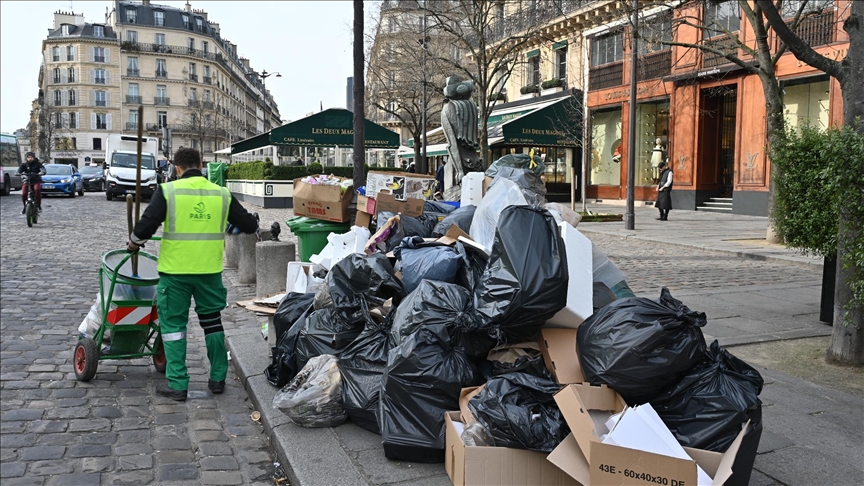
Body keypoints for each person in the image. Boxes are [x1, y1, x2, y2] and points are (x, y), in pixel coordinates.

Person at [126, 148, 258, 401]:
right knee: (212, 323)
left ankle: (178, 384)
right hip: (208, 271)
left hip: (175, 272)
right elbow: (249, 225)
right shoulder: (221, 194)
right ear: (201, 165)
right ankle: (218, 378)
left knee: (174, 327)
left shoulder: (168, 192)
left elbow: (147, 225)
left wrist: (133, 243)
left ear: (177, 168)